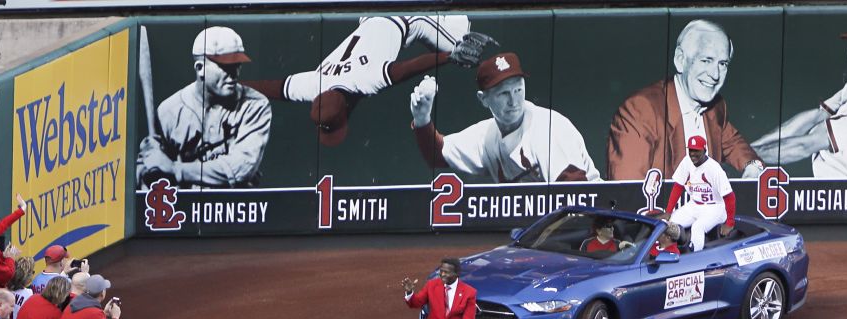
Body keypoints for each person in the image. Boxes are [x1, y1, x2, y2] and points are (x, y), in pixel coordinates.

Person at [246, 12, 478, 145]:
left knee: (464, 49)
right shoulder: (311, 84)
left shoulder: (364, 80)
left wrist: (449, 55)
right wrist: (235, 85)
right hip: (370, 17)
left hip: (409, 18)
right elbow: (272, 88)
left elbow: (407, 69)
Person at [607, 18, 763, 180]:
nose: (715, 75)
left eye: (722, 64)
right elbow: (628, 193)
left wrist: (753, 168)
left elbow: (737, 147)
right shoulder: (639, 110)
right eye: (706, 60)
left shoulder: (716, 107)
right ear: (680, 60)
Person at [406, 51, 598, 182]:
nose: (514, 101)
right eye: (504, 93)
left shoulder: (547, 128)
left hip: (596, 223)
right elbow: (438, 155)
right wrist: (422, 119)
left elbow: (574, 191)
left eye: (518, 90)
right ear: (484, 99)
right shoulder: (488, 135)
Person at [755, 14, 847, 179]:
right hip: (840, 194)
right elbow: (814, 118)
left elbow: (805, 145)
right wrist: (747, 149)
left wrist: (747, 157)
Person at [140, 27, 271, 189]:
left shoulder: (254, 105)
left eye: (237, 65)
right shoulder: (169, 111)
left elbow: (241, 168)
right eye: (225, 67)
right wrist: (148, 168)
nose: (234, 73)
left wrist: (175, 169)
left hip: (236, 209)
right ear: (200, 68)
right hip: (189, 211)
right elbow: (146, 180)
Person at [661, 134, 733, 252]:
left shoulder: (714, 168)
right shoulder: (687, 161)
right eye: (691, 150)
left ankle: (695, 260)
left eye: (696, 150)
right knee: (670, 224)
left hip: (715, 208)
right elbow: (678, 186)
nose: (693, 154)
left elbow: (730, 197)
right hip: (694, 205)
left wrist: (730, 222)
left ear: (705, 150)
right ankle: (670, 252)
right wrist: (669, 211)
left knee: (698, 227)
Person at [400, 257, 475, 319]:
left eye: (446, 272)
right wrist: (409, 292)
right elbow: (416, 303)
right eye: (441, 271)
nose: (442, 274)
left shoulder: (469, 292)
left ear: (456, 274)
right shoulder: (431, 285)